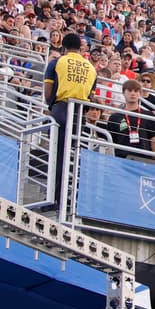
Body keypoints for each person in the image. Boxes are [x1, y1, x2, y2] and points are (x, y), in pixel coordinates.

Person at [42, 33, 96, 202]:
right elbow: (91, 96)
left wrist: (50, 106)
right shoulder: (91, 68)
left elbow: (48, 91)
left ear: (63, 47)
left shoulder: (57, 62)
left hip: (60, 110)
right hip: (79, 114)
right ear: (80, 48)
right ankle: (70, 199)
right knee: (74, 156)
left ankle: (54, 199)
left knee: (57, 155)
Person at [105, 78, 155, 160]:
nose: (133, 93)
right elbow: (111, 142)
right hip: (121, 158)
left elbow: (154, 140)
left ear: (140, 94)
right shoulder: (115, 117)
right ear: (123, 93)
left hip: (144, 159)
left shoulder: (149, 115)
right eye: (129, 90)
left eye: (136, 91)